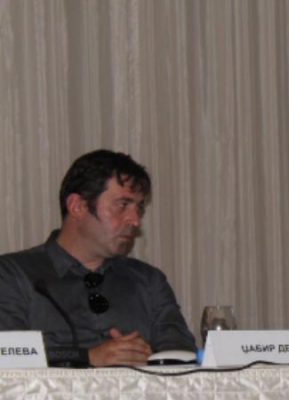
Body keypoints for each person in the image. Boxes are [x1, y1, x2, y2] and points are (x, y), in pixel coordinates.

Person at [0, 149, 195, 366]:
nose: (135, 220)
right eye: (123, 205)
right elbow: (7, 356)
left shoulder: (149, 281)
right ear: (78, 206)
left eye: (139, 208)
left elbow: (182, 354)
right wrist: (88, 357)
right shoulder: (12, 274)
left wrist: (149, 356)